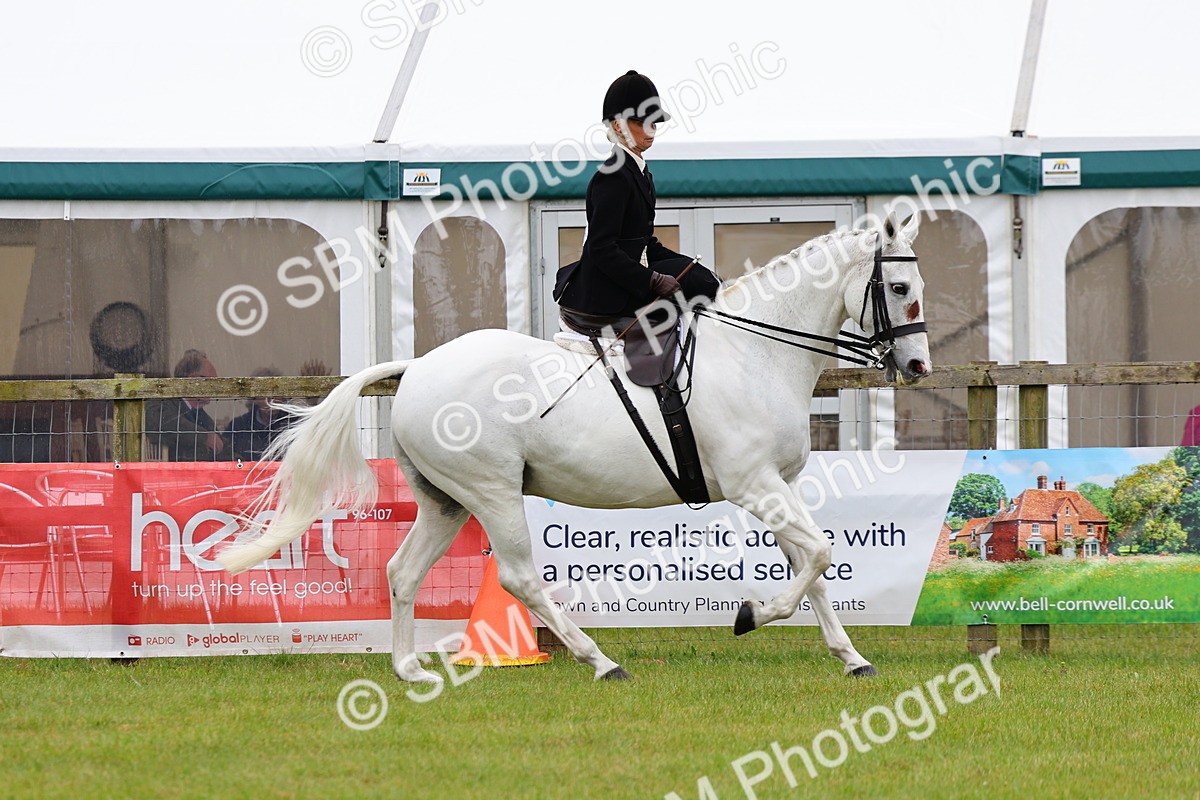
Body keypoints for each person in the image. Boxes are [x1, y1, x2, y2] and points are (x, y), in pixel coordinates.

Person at [554, 70, 720, 327]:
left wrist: (686, 266)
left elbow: (644, 243)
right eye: (643, 122)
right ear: (618, 125)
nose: (651, 129)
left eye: (655, 123)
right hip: (607, 287)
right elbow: (601, 248)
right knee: (698, 283)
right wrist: (652, 279)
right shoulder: (613, 175)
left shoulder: (640, 172)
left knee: (703, 278)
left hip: (630, 271)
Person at [145, 349, 225, 461]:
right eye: (211, 382)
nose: (215, 388)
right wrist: (203, 437)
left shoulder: (200, 414)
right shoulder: (161, 402)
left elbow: (221, 445)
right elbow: (161, 424)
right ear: (192, 380)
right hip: (173, 474)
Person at [223, 367, 290, 461]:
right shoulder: (238, 426)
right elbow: (225, 456)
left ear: (283, 397)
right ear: (255, 399)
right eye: (264, 394)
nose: (271, 399)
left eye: (275, 393)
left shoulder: (292, 423)